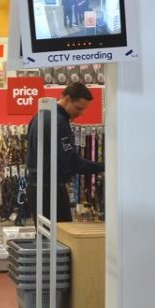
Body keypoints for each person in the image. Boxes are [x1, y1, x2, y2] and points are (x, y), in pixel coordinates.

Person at [25, 82, 104, 223]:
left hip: (36, 188)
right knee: (62, 238)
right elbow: (72, 161)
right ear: (67, 99)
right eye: (78, 108)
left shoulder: (40, 116)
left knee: (45, 239)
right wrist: (103, 166)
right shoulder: (58, 123)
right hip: (50, 190)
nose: (81, 113)